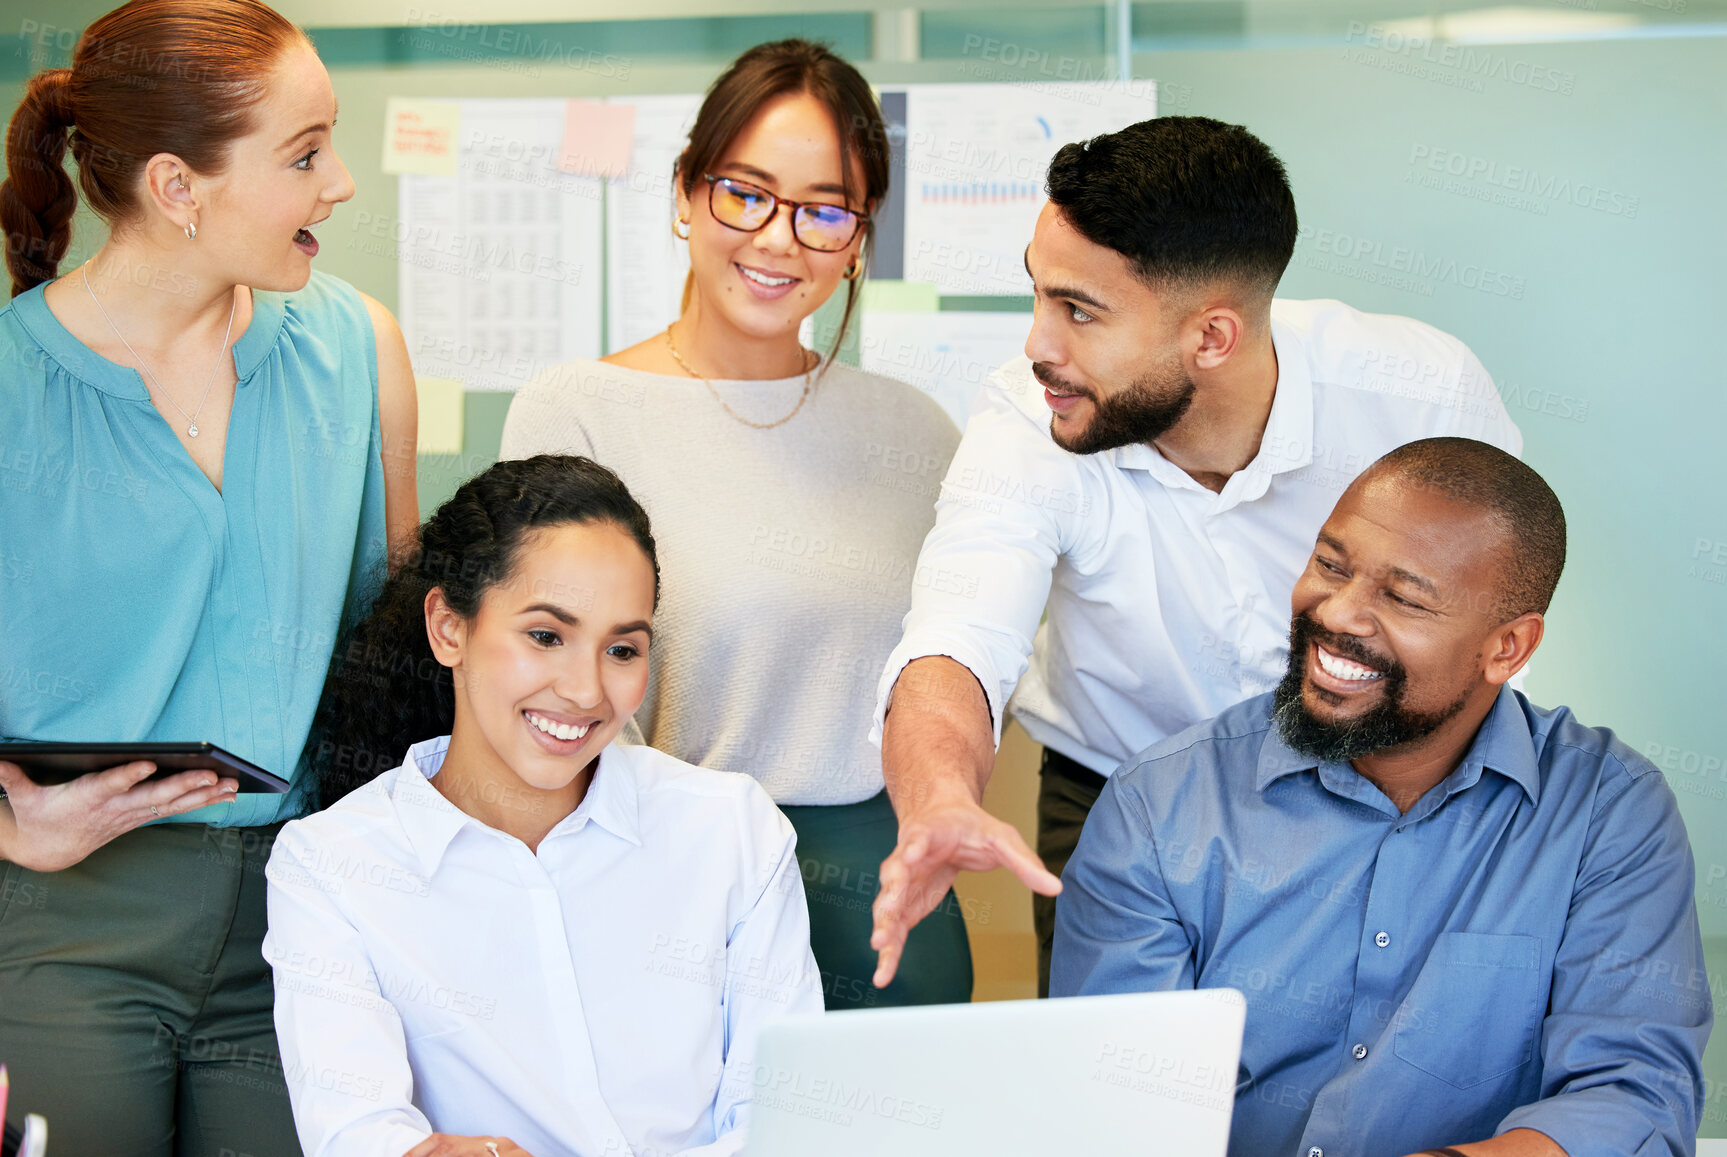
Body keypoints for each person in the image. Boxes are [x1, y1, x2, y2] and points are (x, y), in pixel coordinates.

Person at [868, 116, 1523, 995]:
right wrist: (940, 797)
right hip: (1122, 793)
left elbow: (1489, 619)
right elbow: (957, 635)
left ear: (1211, 338)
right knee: (1123, 1097)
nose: (1036, 345)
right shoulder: (1027, 419)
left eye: (1078, 311)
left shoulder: (1416, 392)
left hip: (1379, 782)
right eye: (1038, 295)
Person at [0, 1, 417, 1150]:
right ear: (179, 188)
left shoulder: (356, 347)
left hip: (309, 913)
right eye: (303, 153)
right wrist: (8, 825)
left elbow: (396, 658)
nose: (337, 182)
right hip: (60, 920)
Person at [1053, 438, 1710, 1157]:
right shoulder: (1158, 805)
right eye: (1330, 565)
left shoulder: (1608, 813)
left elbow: (1630, 1093)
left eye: (1402, 597)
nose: (1338, 612)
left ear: (1508, 648)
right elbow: (1115, 1107)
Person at [500, 40, 971, 1009]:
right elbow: (545, 686)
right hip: (662, 884)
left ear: (856, 237)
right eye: (743, 192)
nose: (776, 237)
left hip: (881, 898)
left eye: (823, 208)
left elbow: (963, 670)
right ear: (684, 193)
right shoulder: (576, 412)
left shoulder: (915, 432)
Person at [265, 455, 822, 1157]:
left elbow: (785, 1122)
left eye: (622, 648)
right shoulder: (331, 864)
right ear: (448, 629)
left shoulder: (732, 831)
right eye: (545, 636)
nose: (587, 691)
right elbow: (357, 1133)